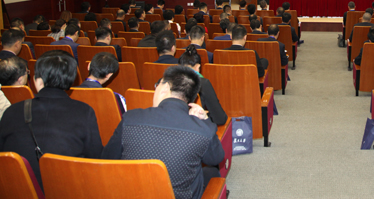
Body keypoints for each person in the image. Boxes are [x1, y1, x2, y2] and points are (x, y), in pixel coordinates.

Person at [102, 65, 224, 199]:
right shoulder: (201, 129)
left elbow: (107, 159)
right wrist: (206, 121)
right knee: (209, 172)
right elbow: (215, 158)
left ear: (165, 87)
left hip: (130, 194)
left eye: (156, 86)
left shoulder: (130, 118)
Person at [0, 50, 103, 188]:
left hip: (17, 189)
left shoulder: (11, 111)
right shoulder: (84, 111)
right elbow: (95, 158)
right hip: (68, 189)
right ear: (71, 79)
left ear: (37, 81)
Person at [178, 46, 227, 125]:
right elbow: (220, 119)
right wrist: (205, 115)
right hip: (193, 127)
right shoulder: (203, 83)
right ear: (198, 67)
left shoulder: (165, 82)